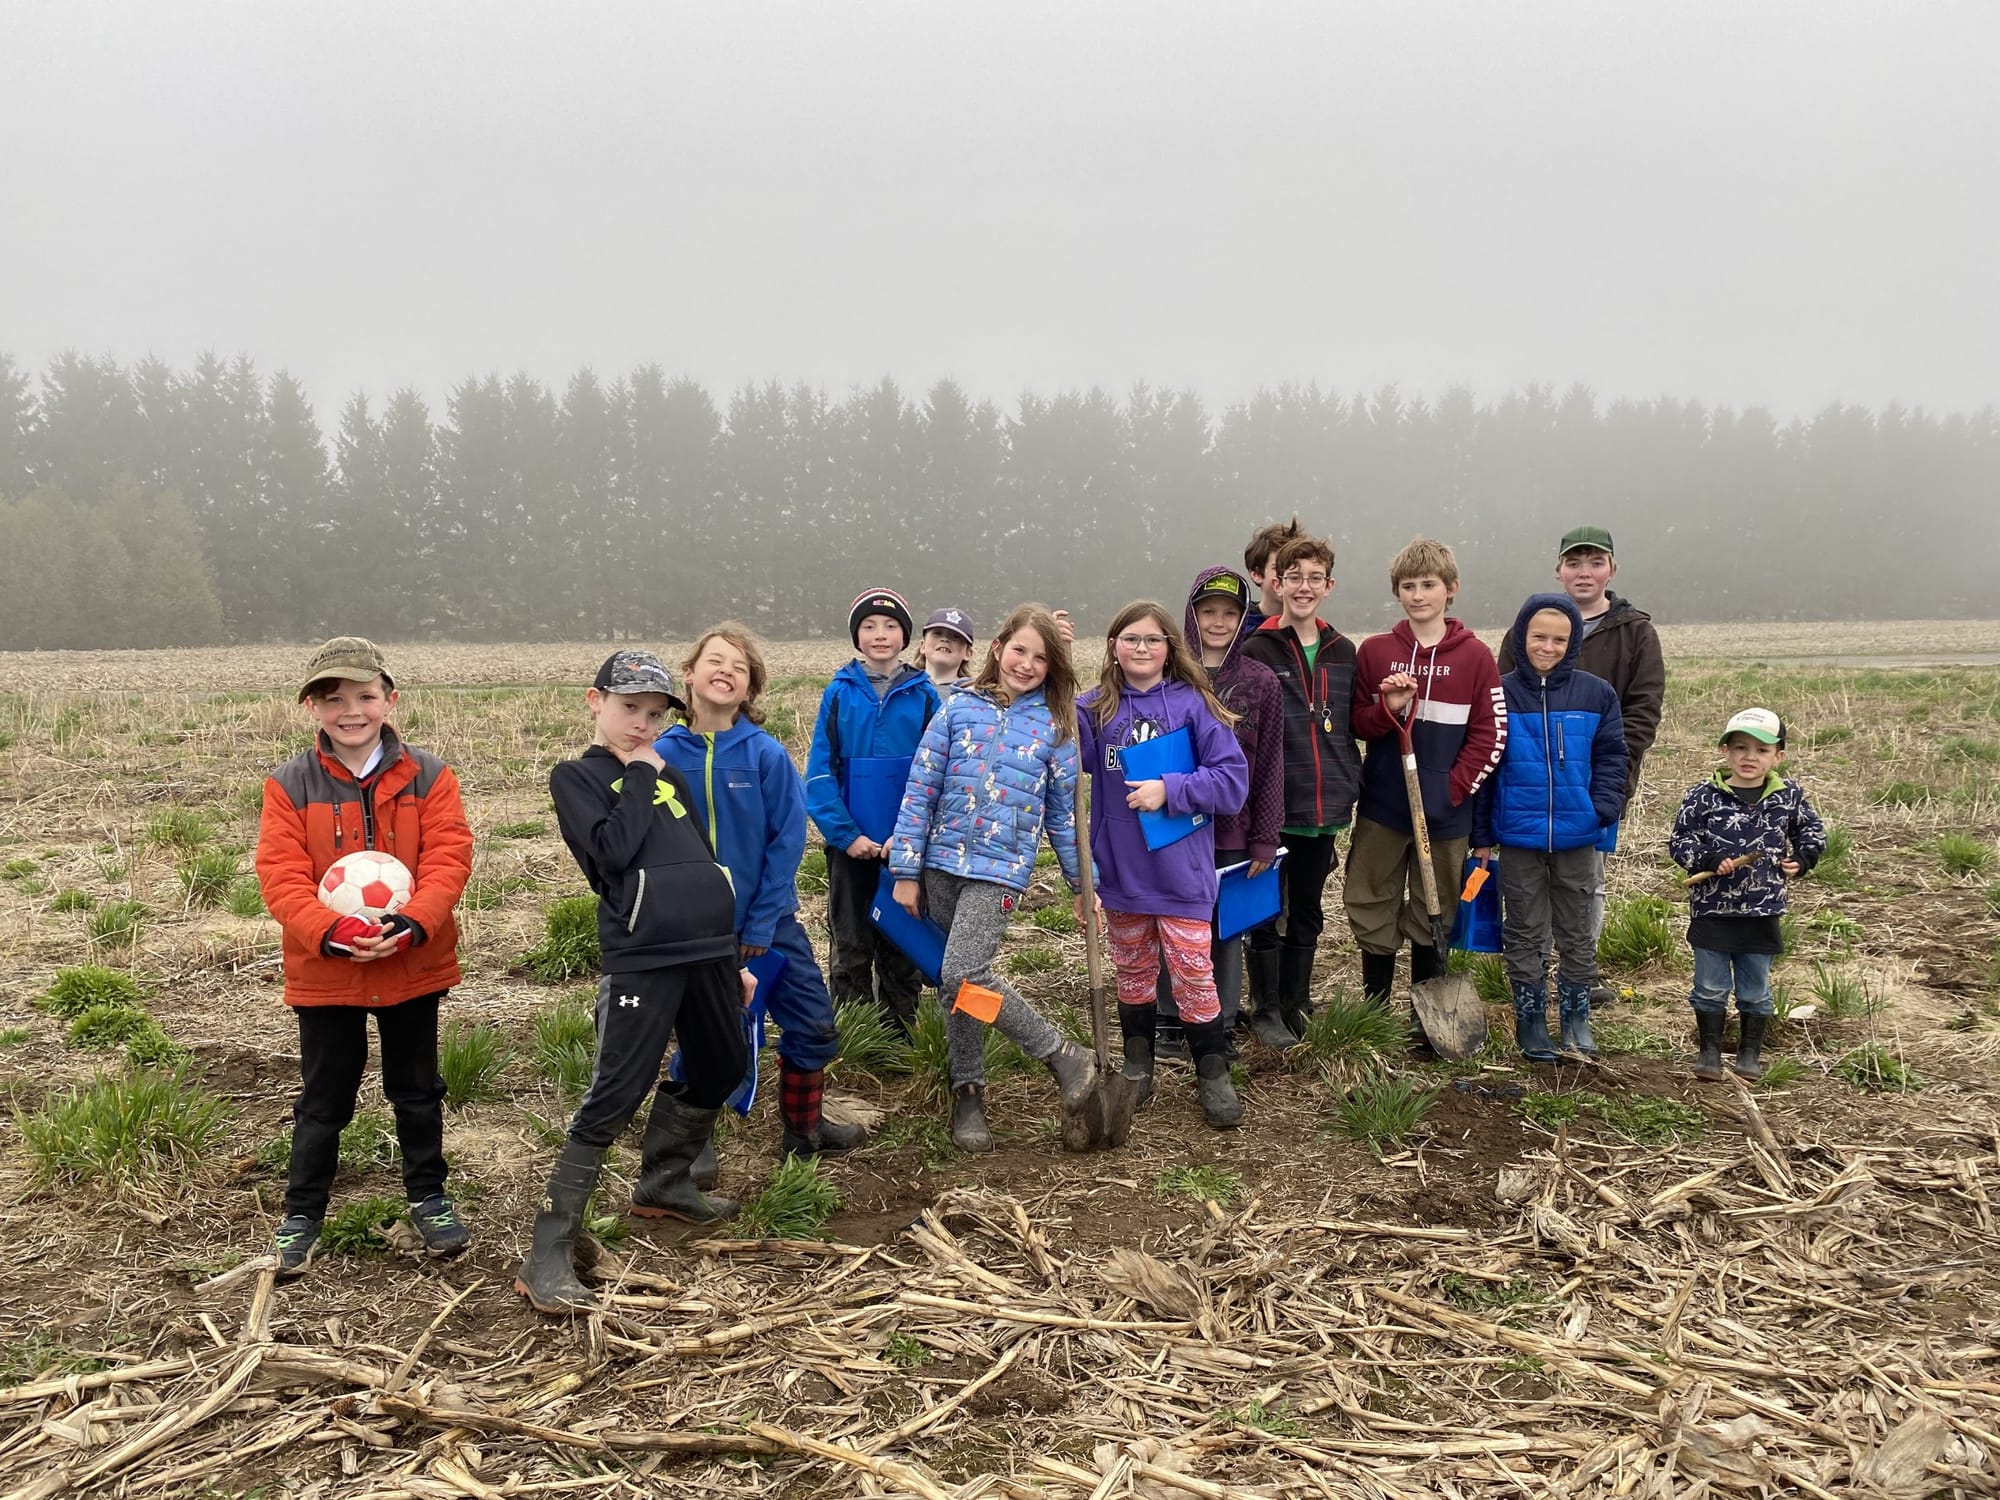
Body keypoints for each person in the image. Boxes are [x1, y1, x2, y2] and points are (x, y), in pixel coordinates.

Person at [521, 650, 753, 1314]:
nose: (642, 725)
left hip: (707, 949)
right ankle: (549, 1249)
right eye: (630, 709)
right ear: (596, 701)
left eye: (654, 714)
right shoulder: (578, 778)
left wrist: (731, 957)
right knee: (617, 1091)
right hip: (643, 955)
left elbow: (701, 861)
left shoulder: (668, 775)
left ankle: (665, 1184)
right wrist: (641, 776)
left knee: (723, 1064)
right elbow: (614, 853)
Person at [254, 637, 475, 1277]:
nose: (350, 711)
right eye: (333, 699)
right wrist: (330, 931)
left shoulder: (430, 776)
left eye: (364, 696)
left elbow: (449, 858)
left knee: (417, 1089)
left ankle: (429, 1197)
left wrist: (410, 923)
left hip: (411, 965)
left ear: (390, 699)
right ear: (313, 708)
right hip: (327, 971)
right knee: (324, 1098)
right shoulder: (289, 784)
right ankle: (302, 1214)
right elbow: (280, 874)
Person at [886, 604, 1096, 1151]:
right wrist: (905, 869)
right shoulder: (957, 709)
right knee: (955, 983)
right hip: (939, 866)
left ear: (1052, 668)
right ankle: (968, 1090)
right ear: (998, 648)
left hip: (1000, 871)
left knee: (963, 973)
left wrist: (1082, 885)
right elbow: (920, 789)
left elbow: (1064, 818)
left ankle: (1061, 1054)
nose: (1027, 664)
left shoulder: (1056, 728)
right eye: (1019, 649)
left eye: (1041, 658)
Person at [657, 624, 865, 1167]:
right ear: (689, 674)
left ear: (750, 688)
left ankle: (804, 1129)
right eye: (715, 661)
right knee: (705, 1034)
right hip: (696, 932)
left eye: (740, 668)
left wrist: (761, 922)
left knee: (814, 1024)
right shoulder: (659, 756)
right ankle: (689, 1146)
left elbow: (787, 842)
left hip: (770, 924)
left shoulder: (765, 755)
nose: (726, 671)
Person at [1080, 602, 1251, 1128]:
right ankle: (1138, 1064)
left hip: (1181, 874)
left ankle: (1212, 1071)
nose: (1142, 648)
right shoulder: (1095, 709)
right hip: (1121, 872)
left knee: (1193, 972)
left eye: (1153, 640)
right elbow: (1062, 750)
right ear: (1113, 646)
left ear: (1169, 649)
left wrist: (1170, 790)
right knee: (1133, 971)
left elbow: (1232, 782)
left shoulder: (1193, 704)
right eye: (1130, 638)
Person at [1497, 526, 1665, 1008]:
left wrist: (1605, 788)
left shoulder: (1634, 631)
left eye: (1595, 562)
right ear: (1559, 570)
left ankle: (1580, 980)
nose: (1584, 572)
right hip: (1528, 791)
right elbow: (1501, 708)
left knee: (1585, 884)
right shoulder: (1525, 629)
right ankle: (1532, 979)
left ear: (1611, 570)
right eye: (1574, 563)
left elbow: (1642, 711)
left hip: (1593, 789)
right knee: (1527, 889)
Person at [1345, 537, 1507, 1021]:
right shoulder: (1375, 652)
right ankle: (1375, 1012)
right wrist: (1387, 708)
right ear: (1397, 592)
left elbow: (1491, 735)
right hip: (1383, 808)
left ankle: (1426, 1015)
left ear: (1451, 588)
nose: (1418, 595)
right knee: (1371, 898)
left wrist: (1452, 789)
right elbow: (1358, 723)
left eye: (1429, 585)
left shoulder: (1475, 657)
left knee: (1435, 907)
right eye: (1408, 586)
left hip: (1446, 814)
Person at [1472, 596, 1628, 1061]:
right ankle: (1531, 1019)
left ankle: (1576, 1018)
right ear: (1521, 636)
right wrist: (1482, 835)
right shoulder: (1498, 694)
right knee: (1524, 929)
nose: (1548, 647)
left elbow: (1612, 756)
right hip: (1518, 836)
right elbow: (1486, 768)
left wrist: (1601, 807)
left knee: (1577, 929)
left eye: (1560, 639)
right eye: (1539, 636)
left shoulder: (1596, 694)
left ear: (1573, 642)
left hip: (1578, 836)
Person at [1152, 568, 1284, 1060]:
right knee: (1171, 920)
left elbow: (1270, 764)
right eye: (1208, 611)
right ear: (1191, 615)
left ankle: (1220, 1021)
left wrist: (1265, 835)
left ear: (1242, 617)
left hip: (1233, 828)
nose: (1218, 621)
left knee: (1223, 928)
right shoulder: (1166, 675)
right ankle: (1168, 1018)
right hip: (1172, 824)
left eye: (1230, 613)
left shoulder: (1260, 682)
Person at [1240, 534, 1364, 1045]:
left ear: (1329, 586)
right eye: (1295, 577)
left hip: (1325, 803)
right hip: (1274, 804)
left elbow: (1354, 721)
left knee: (1308, 908)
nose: (1304, 587)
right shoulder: (1257, 648)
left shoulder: (1343, 650)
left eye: (1315, 578)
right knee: (1264, 908)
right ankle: (1265, 1007)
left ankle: (1298, 1001)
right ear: (1278, 582)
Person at [804, 589, 942, 1035]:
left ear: (906, 637)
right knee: (850, 943)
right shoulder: (839, 694)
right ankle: (853, 1037)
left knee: (902, 945)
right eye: (868, 626)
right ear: (856, 637)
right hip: (851, 848)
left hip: (906, 850)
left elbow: (938, 773)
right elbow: (819, 773)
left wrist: (911, 839)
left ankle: (901, 1037)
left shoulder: (925, 697)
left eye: (890, 626)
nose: (879, 634)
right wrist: (846, 836)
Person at [1669, 708, 1824, 1082]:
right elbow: (1680, 841)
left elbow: (1812, 831)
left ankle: (1749, 1052)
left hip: (1762, 910)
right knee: (1709, 986)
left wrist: (1803, 859)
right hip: (1712, 910)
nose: (1749, 757)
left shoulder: (1788, 796)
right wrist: (1707, 859)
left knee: (1755, 989)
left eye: (1761, 749)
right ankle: (1709, 1051)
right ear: (1725, 751)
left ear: (1778, 756)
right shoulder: (1703, 796)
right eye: (1740, 747)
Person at [1241, 517, 1305, 635]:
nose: (1289, 575)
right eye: (1279, 568)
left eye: (1295, 569)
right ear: (1256, 574)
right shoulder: (1237, 629)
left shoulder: (1316, 633)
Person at [916, 606, 976, 689]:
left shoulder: (973, 694)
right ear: (923, 646)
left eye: (956, 637)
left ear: (968, 653)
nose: (945, 639)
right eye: (937, 633)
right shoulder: (903, 686)